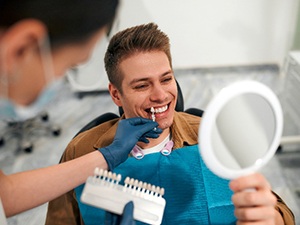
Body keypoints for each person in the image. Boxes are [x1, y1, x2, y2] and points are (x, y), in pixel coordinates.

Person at [45, 23, 295, 225]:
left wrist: (270, 217)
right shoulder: (82, 152)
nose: (161, 95)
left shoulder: (215, 137)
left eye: (166, 79)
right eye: (142, 85)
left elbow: (281, 214)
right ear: (116, 94)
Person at [0, 0, 160, 223]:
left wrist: (107, 157)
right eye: (69, 66)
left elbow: (4, 195)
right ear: (20, 49)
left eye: (166, 78)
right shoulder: (79, 146)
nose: (159, 95)